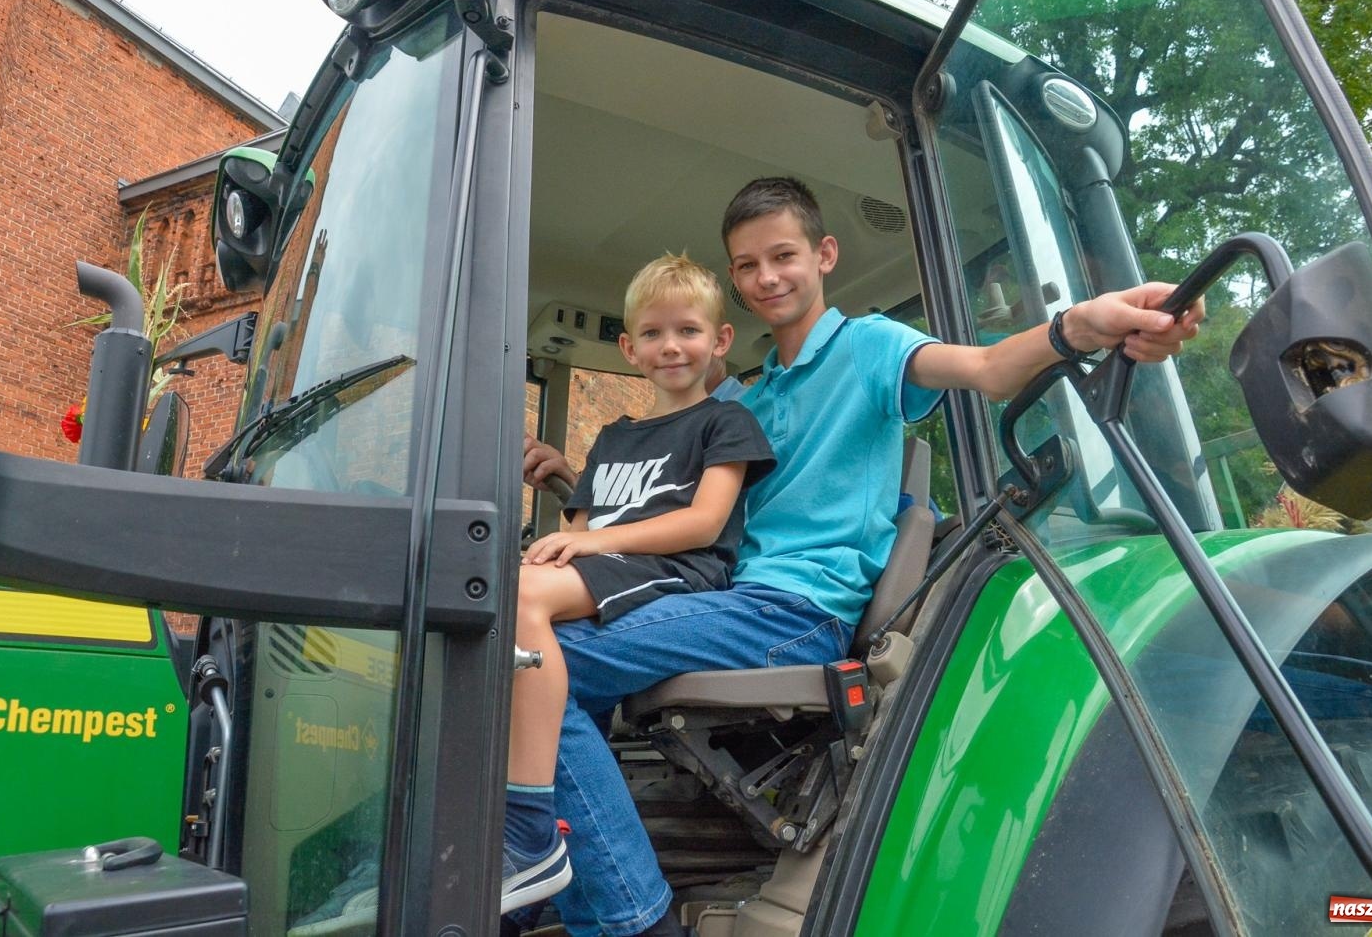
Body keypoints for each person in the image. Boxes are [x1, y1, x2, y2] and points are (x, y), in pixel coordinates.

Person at [520, 177, 1202, 936]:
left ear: (824, 255)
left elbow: (985, 369)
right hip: (724, 604)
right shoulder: (746, 400)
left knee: (534, 667)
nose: (767, 276)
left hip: (795, 611)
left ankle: (631, 918)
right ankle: (552, 892)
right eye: (747, 265)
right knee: (528, 658)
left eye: (783, 256)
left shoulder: (868, 346)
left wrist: (1078, 326)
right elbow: (664, 498)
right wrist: (570, 480)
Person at [501, 254, 775, 916]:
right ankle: (538, 863)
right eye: (653, 333)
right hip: (610, 569)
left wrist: (588, 545)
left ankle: (529, 827)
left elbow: (704, 522)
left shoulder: (724, 423)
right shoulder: (612, 438)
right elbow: (580, 529)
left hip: (675, 573)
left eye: (687, 330)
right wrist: (560, 535)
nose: (671, 346)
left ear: (720, 340)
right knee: (499, 599)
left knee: (521, 599)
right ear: (629, 348)